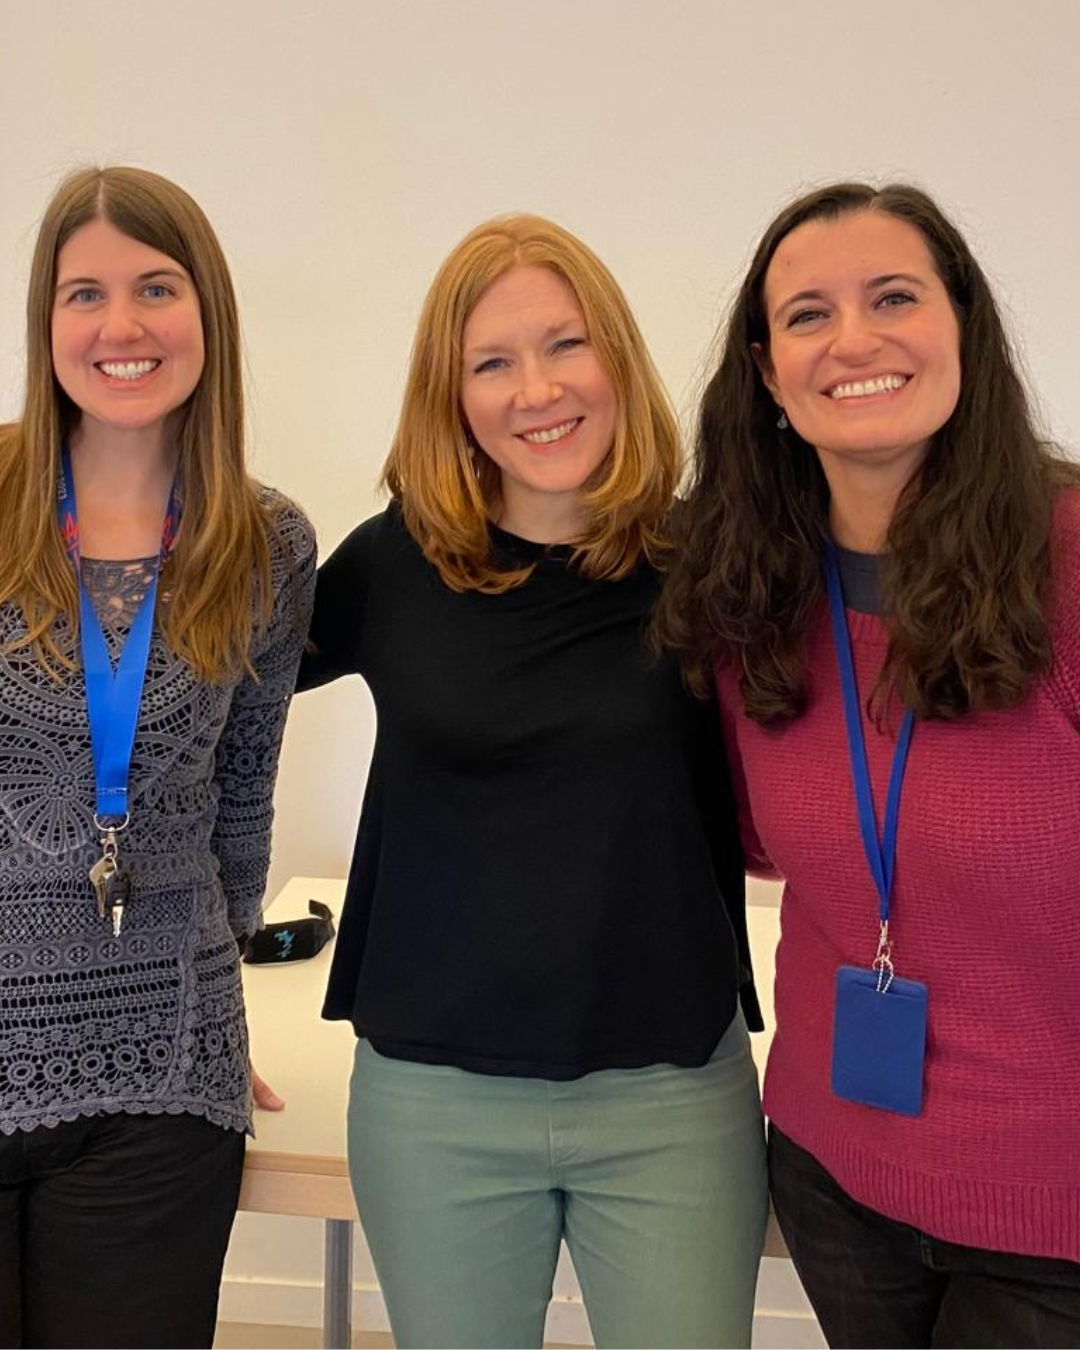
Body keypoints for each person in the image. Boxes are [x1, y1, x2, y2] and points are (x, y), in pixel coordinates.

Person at [299, 214, 767, 1349]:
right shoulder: (391, 565)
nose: (536, 388)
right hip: (433, 1101)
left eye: (565, 345)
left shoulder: (712, 560)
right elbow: (197, 710)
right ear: (450, 396)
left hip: (670, 1092)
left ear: (616, 356)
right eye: (492, 362)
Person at [653, 181, 1080, 1348]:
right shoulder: (750, 585)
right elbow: (745, 838)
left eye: (894, 296)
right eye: (807, 315)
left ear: (962, 329)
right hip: (836, 1172)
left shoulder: (1069, 561)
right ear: (767, 371)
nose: (854, 340)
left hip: (1056, 1213)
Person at [0, 166, 314, 1349]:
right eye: (85, 293)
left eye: (156, 287)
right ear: (47, 323)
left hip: (161, 1078)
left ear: (208, 315)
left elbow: (245, 790)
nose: (121, 326)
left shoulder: (265, 539)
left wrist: (219, 1006)